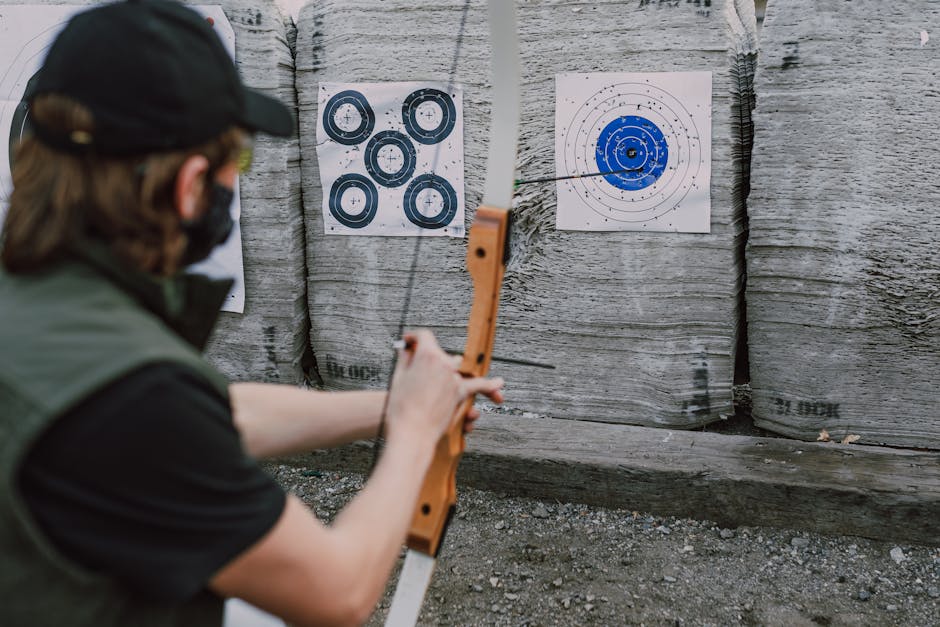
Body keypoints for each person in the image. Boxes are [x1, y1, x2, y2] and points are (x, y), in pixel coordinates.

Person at [0, 1, 504, 625]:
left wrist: (395, 404)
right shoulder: (136, 396)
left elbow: (207, 417)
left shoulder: (37, 299)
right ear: (188, 186)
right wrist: (413, 437)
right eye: (234, 161)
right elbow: (337, 591)